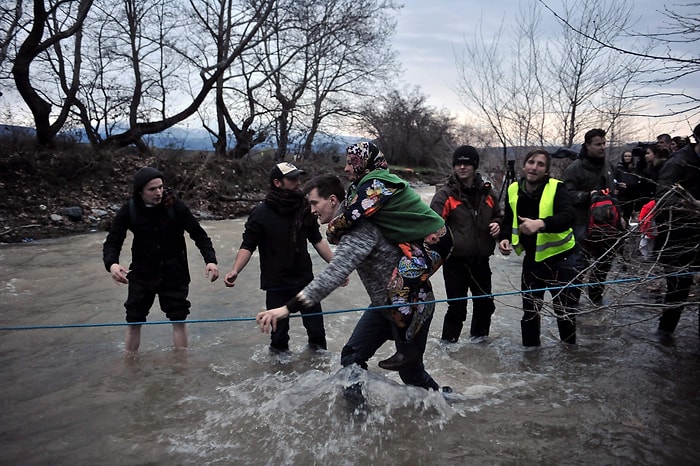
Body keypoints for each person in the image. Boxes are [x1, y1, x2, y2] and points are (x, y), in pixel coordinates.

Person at [257, 173, 445, 391]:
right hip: (382, 306)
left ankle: (446, 403)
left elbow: (333, 275)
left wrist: (285, 309)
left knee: (411, 373)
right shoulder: (350, 224)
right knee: (351, 359)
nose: (311, 210)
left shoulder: (359, 228)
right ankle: (358, 419)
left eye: (314, 203)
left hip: (412, 306)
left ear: (333, 200)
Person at [326, 141, 453, 370]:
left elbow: (354, 214)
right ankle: (410, 353)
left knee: (398, 286)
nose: (345, 169)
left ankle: (407, 351)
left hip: (435, 240)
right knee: (400, 286)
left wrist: (332, 229)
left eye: (350, 162)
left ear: (363, 162)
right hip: (417, 242)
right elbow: (349, 206)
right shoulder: (362, 185)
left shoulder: (378, 183)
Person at [103, 167, 220, 354]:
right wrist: (112, 264)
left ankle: (182, 364)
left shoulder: (175, 206)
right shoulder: (130, 209)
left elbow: (199, 235)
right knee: (134, 321)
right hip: (142, 274)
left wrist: (210, 261)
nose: (159, 193)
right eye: (152, 189)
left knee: (178, 320)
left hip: (174, 273)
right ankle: (129, 364)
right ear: (140, 191)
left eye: (161, 187)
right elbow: (113, 242)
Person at [224, 162, 334, 352]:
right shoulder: (260, 213)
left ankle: (319, 375)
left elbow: (317, 240)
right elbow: (247, 246)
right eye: (292, 178)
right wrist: (235, 270)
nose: (298, 182)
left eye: (298, 177)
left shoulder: (305, 208)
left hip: (305, 281)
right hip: (276, 283)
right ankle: (279, 378)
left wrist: (336, 265)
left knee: (317, 336)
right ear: (277, 182)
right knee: (279, 340)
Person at [498, 149, 579, 346]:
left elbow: (568, 217)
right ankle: (531, 362)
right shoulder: (513, 189)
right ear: (524, 165)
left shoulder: (557, 188)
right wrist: (504, 238)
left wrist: (540, 223)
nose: (534, 167)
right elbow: (508, 221)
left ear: (546, 170)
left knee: (565, 314)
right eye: (531, 162)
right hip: (533, 261)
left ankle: (570, 360)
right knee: (530, 314)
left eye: (540, 164)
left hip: (562, 260)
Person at [430, 145, 503, 343]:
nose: (462, 167)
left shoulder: (488, 193)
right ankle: (448, 348)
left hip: (481, 260)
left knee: (486, 305)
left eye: (467, 163)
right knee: (457, 308)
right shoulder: (445, 195)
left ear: (475, 166)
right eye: (458, 164)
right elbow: (430, 224)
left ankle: (478, 345)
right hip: (455, 263)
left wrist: (498, 225)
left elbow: (499, 216)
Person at [562, 128, 621, 306]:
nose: (602, 147)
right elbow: (566, 196)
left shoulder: (608, 166)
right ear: (587, 146)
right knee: (580, 265)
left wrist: (621, 217)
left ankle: (596, 299)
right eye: (598, 144)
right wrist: (589, 196)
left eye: (604, 144)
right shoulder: (574, 169)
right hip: (582, 224)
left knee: (604, 263)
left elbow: (614, 194)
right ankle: (572, 303)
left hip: (608, 224)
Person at [653, 123, 700, 341]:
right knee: (679, 287)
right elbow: (663, 197)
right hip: (677, 233)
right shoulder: (678, 162)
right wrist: (690, 207)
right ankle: (665, 334)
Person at [614, 150, 641, 223]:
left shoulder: (634, 169)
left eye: (629, 156)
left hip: (630, 196)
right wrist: (618, 186)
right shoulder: (618, 168)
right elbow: (613, 180)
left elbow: (637, 182)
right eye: (625, 156)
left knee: (627, 216)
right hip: (620, 195)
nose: (627, 158)